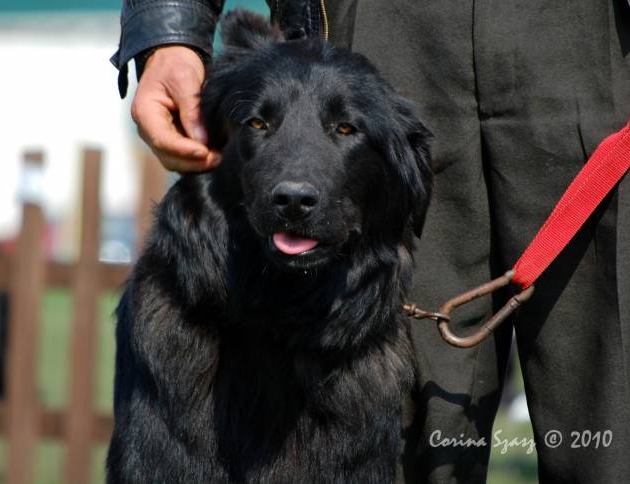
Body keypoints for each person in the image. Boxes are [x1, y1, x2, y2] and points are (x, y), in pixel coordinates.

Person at [111, 1, 630, 482]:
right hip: (378, 26)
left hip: (595, 35)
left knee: (611, 437)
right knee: (415, 454)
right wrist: (170, 30)